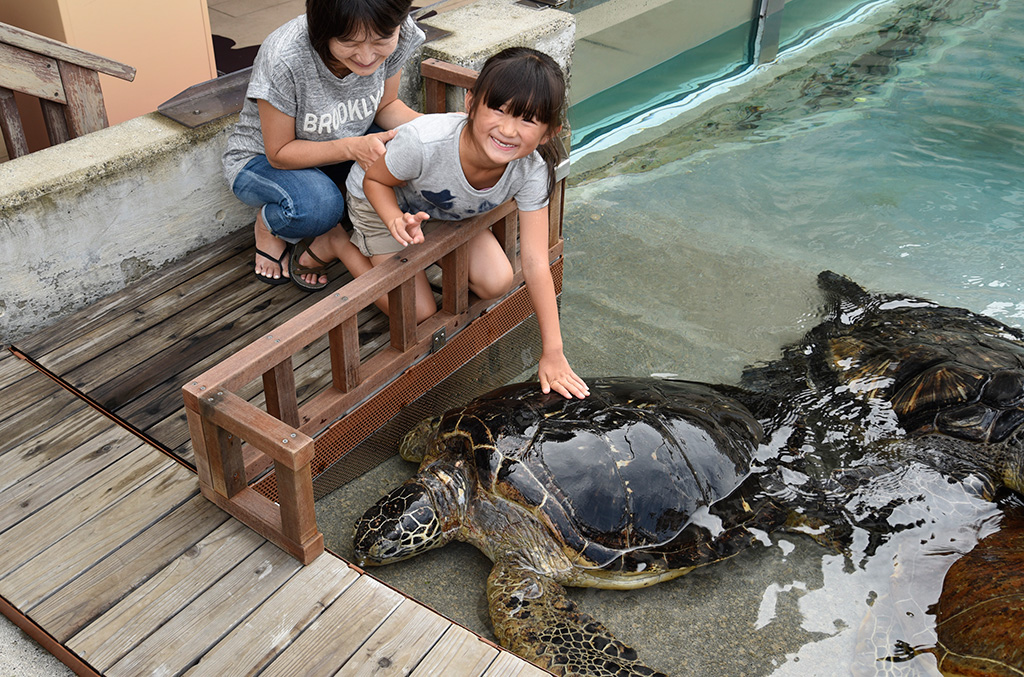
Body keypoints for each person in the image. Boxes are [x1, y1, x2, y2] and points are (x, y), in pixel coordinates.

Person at [340, 46, 589, 399]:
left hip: (442, 213)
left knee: (498, 280)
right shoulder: (425, 141)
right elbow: (375, 181)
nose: (508, 129)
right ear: (471, 103)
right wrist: (394, 219)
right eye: (498, 110)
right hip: (382, 203)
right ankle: (336, 243)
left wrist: (553, 351)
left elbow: (535, 260)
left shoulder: (531, 169)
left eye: (527, 119)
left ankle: (418, 247)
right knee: (418, 313)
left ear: (549, 132)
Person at [222, 0, 424, 290]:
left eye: (381, 41)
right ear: (322, 31)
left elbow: (386, 106)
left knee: (411, 152)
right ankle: (269, 224)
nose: (367, 56)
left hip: (343, 146)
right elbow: (278, 153)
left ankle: (332, 219)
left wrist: (434, 128)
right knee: (319, 207)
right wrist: (351, 148)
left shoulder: (395, 27)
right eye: (349, 42)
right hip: (263, 159)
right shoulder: (285, 56)